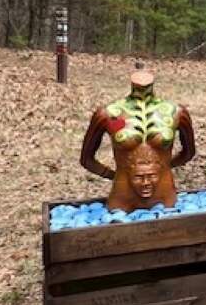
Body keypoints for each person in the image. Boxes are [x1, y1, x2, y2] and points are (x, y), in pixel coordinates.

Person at [79, 70, 196, 211]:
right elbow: (86, 159)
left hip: (164, 196)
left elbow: (189, 152)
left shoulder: (177, 112)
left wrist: (163, 168)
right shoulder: (108, 114)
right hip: (122, 198)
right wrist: (113, 175)